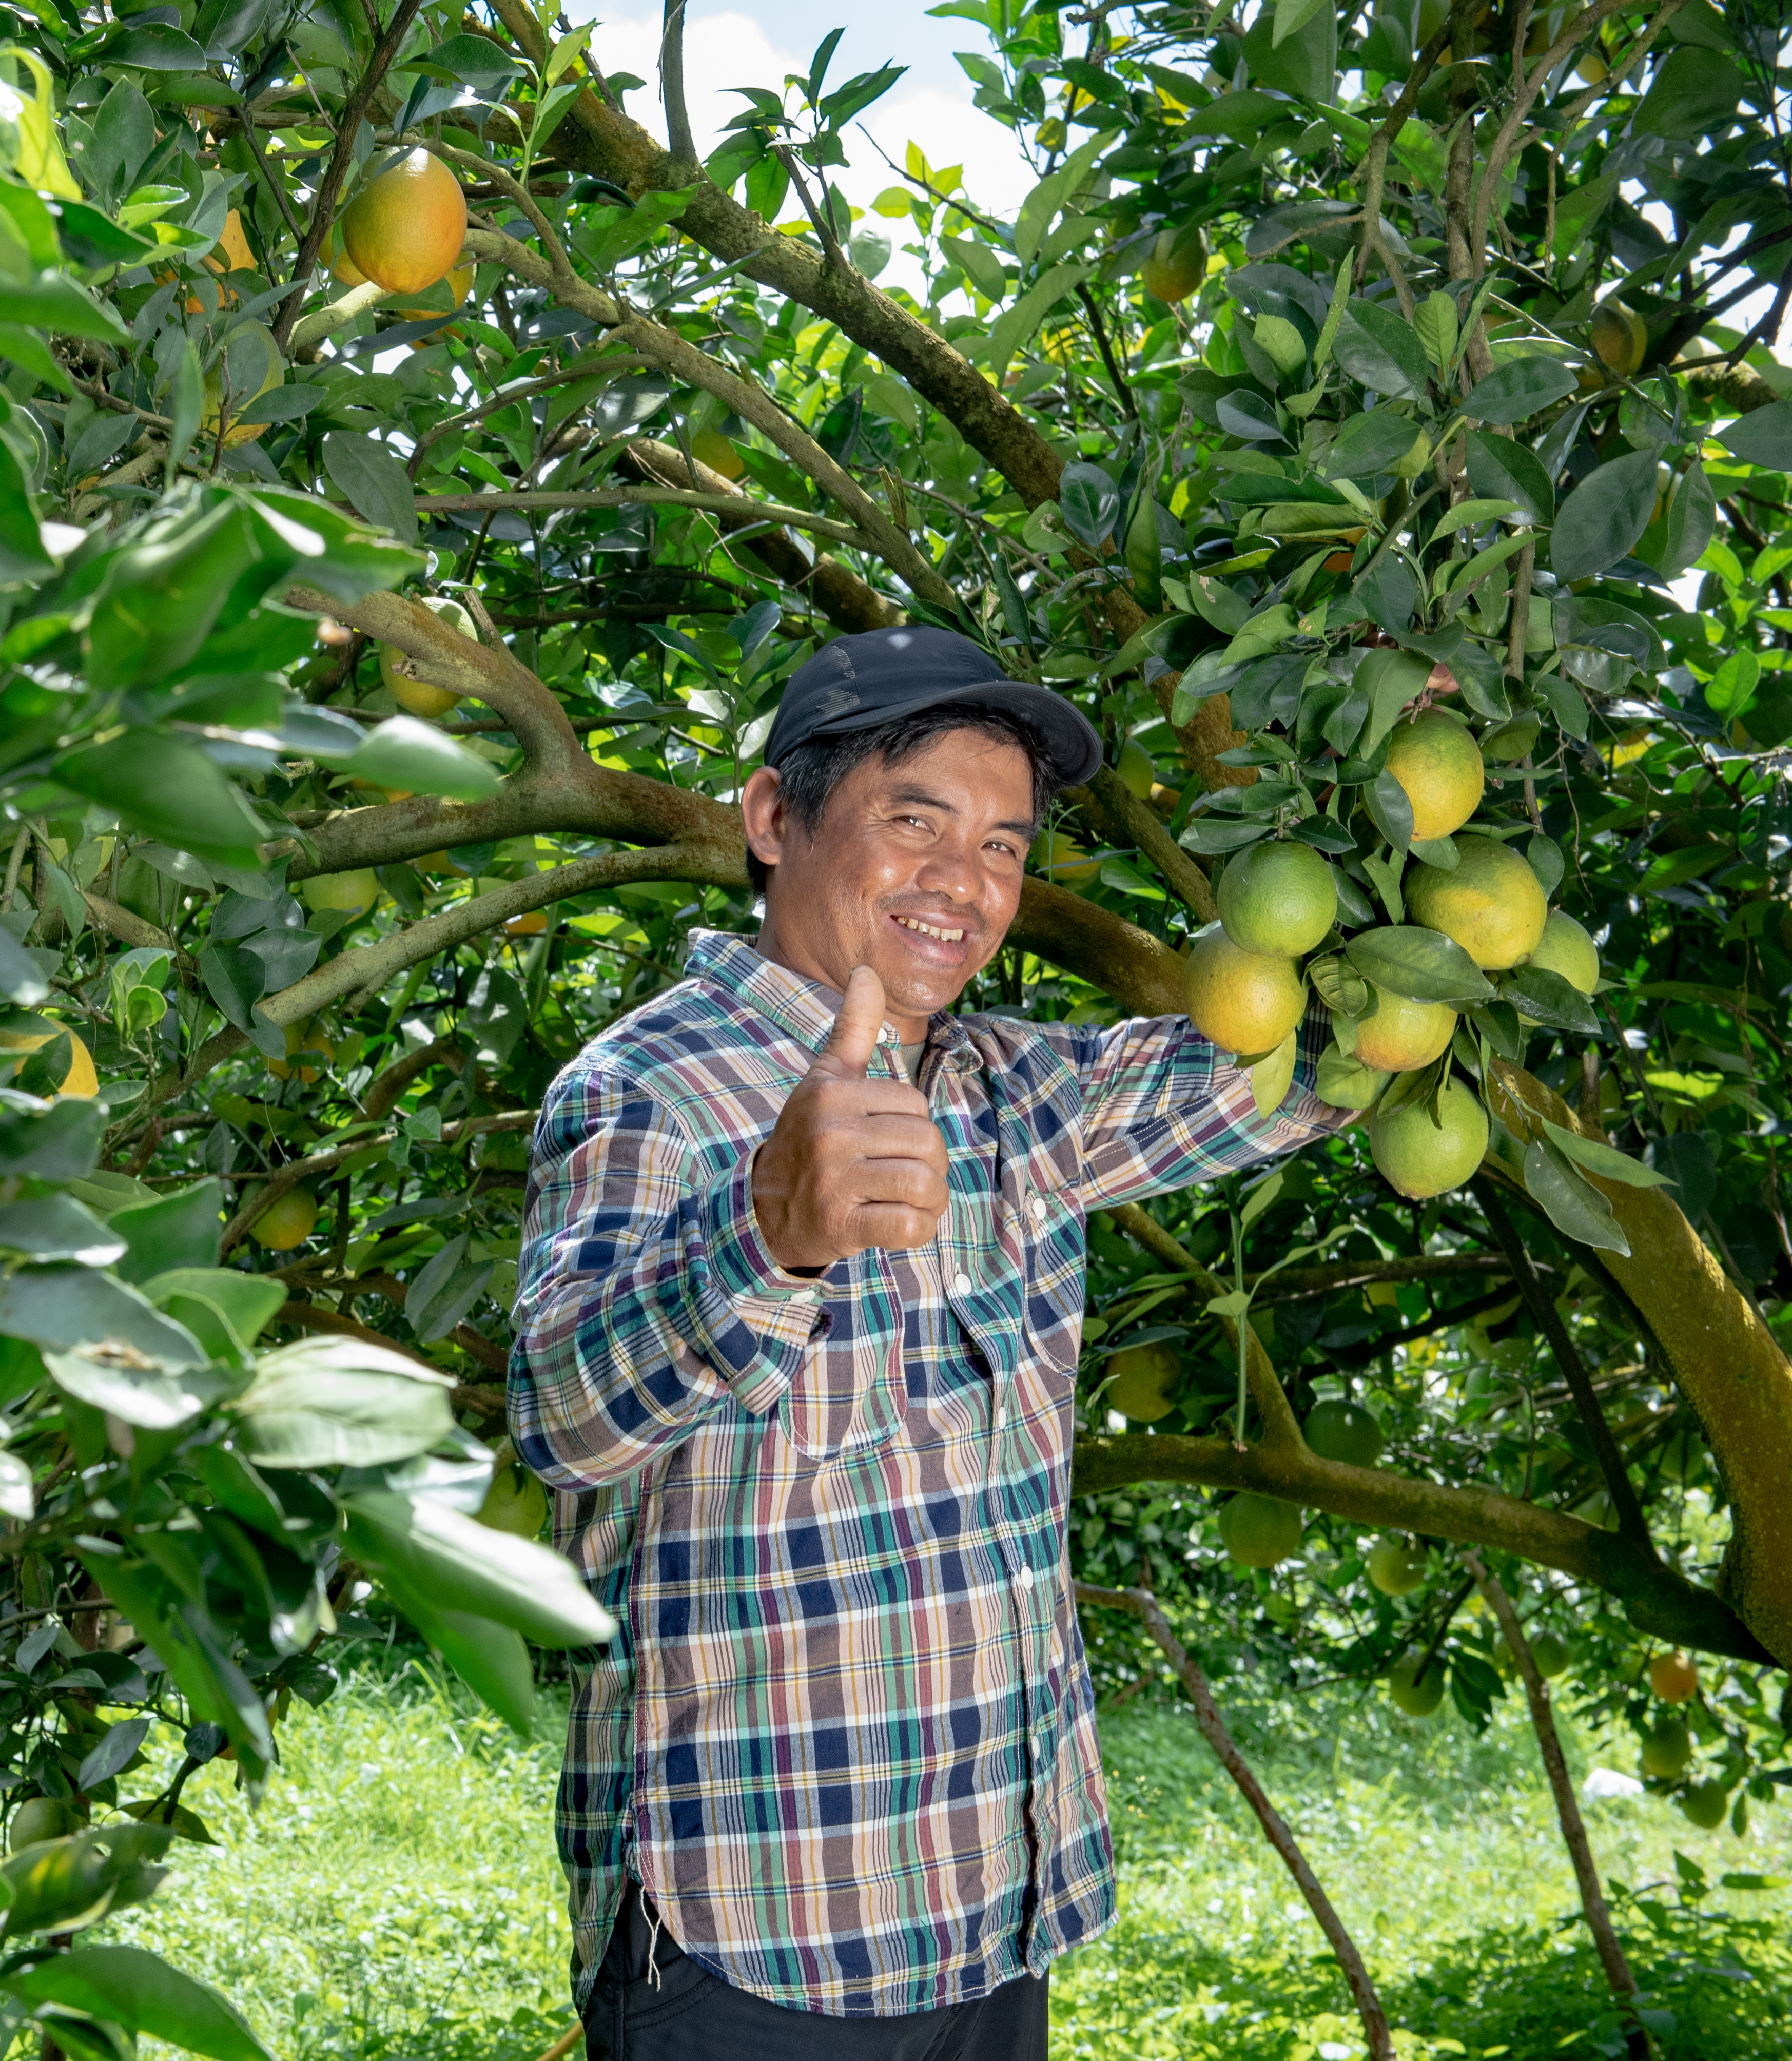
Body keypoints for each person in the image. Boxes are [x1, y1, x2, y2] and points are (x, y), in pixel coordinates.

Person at [508, 625, 1359, 2058]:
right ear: (776, 819)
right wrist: (764, 1230)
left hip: (986, 1905)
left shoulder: (1019, 1093)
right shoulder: (647, 1089)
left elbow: (1318, 1053)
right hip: (759, 1937)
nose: (965, 882)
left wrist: (1390, 765)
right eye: (916, 824)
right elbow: (565, 1410)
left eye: (1006, 848)